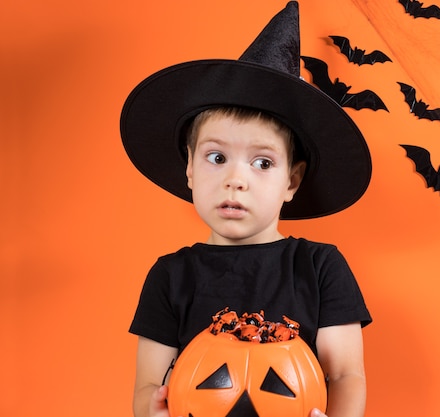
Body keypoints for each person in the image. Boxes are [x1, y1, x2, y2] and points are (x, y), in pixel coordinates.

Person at [120, 2, 372, 417]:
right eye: (217, 158)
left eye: (262, 163)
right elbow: (148, 386)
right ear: (189, 167)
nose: (235, 179)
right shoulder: (169, 276)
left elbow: (345, 374)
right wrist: (153, 409)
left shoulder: (321, 267)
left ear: (291, 181)